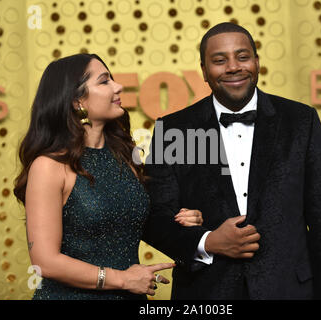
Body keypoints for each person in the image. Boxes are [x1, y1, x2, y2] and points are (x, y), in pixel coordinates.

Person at [142, 22, 321, 299]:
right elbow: (154, 218)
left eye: (242, 57)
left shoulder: (301, 121)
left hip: (291, 291)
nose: (233, 67)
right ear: (204, 71)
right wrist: (208, 242)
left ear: (257, 62)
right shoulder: (173, 130)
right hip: (206, 295)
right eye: (219, 60)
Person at [13, 53, 202, 300]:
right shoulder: (49, 165)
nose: (118, 86)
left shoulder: (126, 157)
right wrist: (122, 279)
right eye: (104, 82)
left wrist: (180, 219)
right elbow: (45, 262)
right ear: (76, 101)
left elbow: (130, 221)